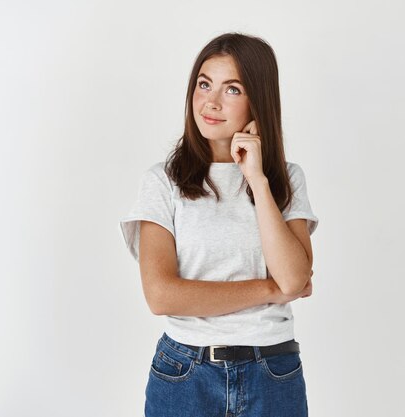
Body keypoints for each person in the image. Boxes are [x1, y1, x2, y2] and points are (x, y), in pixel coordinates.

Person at [119, 32, 319, 417]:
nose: (209, 102)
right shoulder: (163, 181)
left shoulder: (285, 180)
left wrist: (258, 181)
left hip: (273, 373)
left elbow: (293, 280)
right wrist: (268, 289)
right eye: (204, 84)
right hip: (185, 374)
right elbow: (161, 295)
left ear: (257, 102)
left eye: (232, 89)